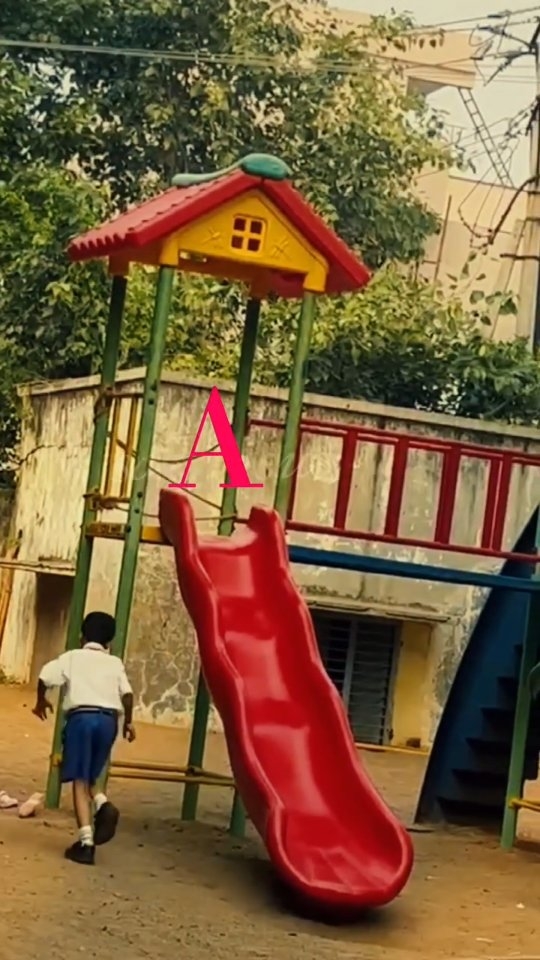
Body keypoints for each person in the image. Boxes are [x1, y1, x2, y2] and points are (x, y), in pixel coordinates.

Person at [33, 610, 136, 866]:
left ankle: (86, 843)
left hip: (82, 719)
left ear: (82, 637)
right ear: (109, 642)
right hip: (108, 721)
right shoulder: (114, 663)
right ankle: (102, 803)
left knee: (79, 780)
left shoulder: (72, 657)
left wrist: (40, 701)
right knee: (92, 777)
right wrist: (128, 722)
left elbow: (45, 676)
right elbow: (127, 695)